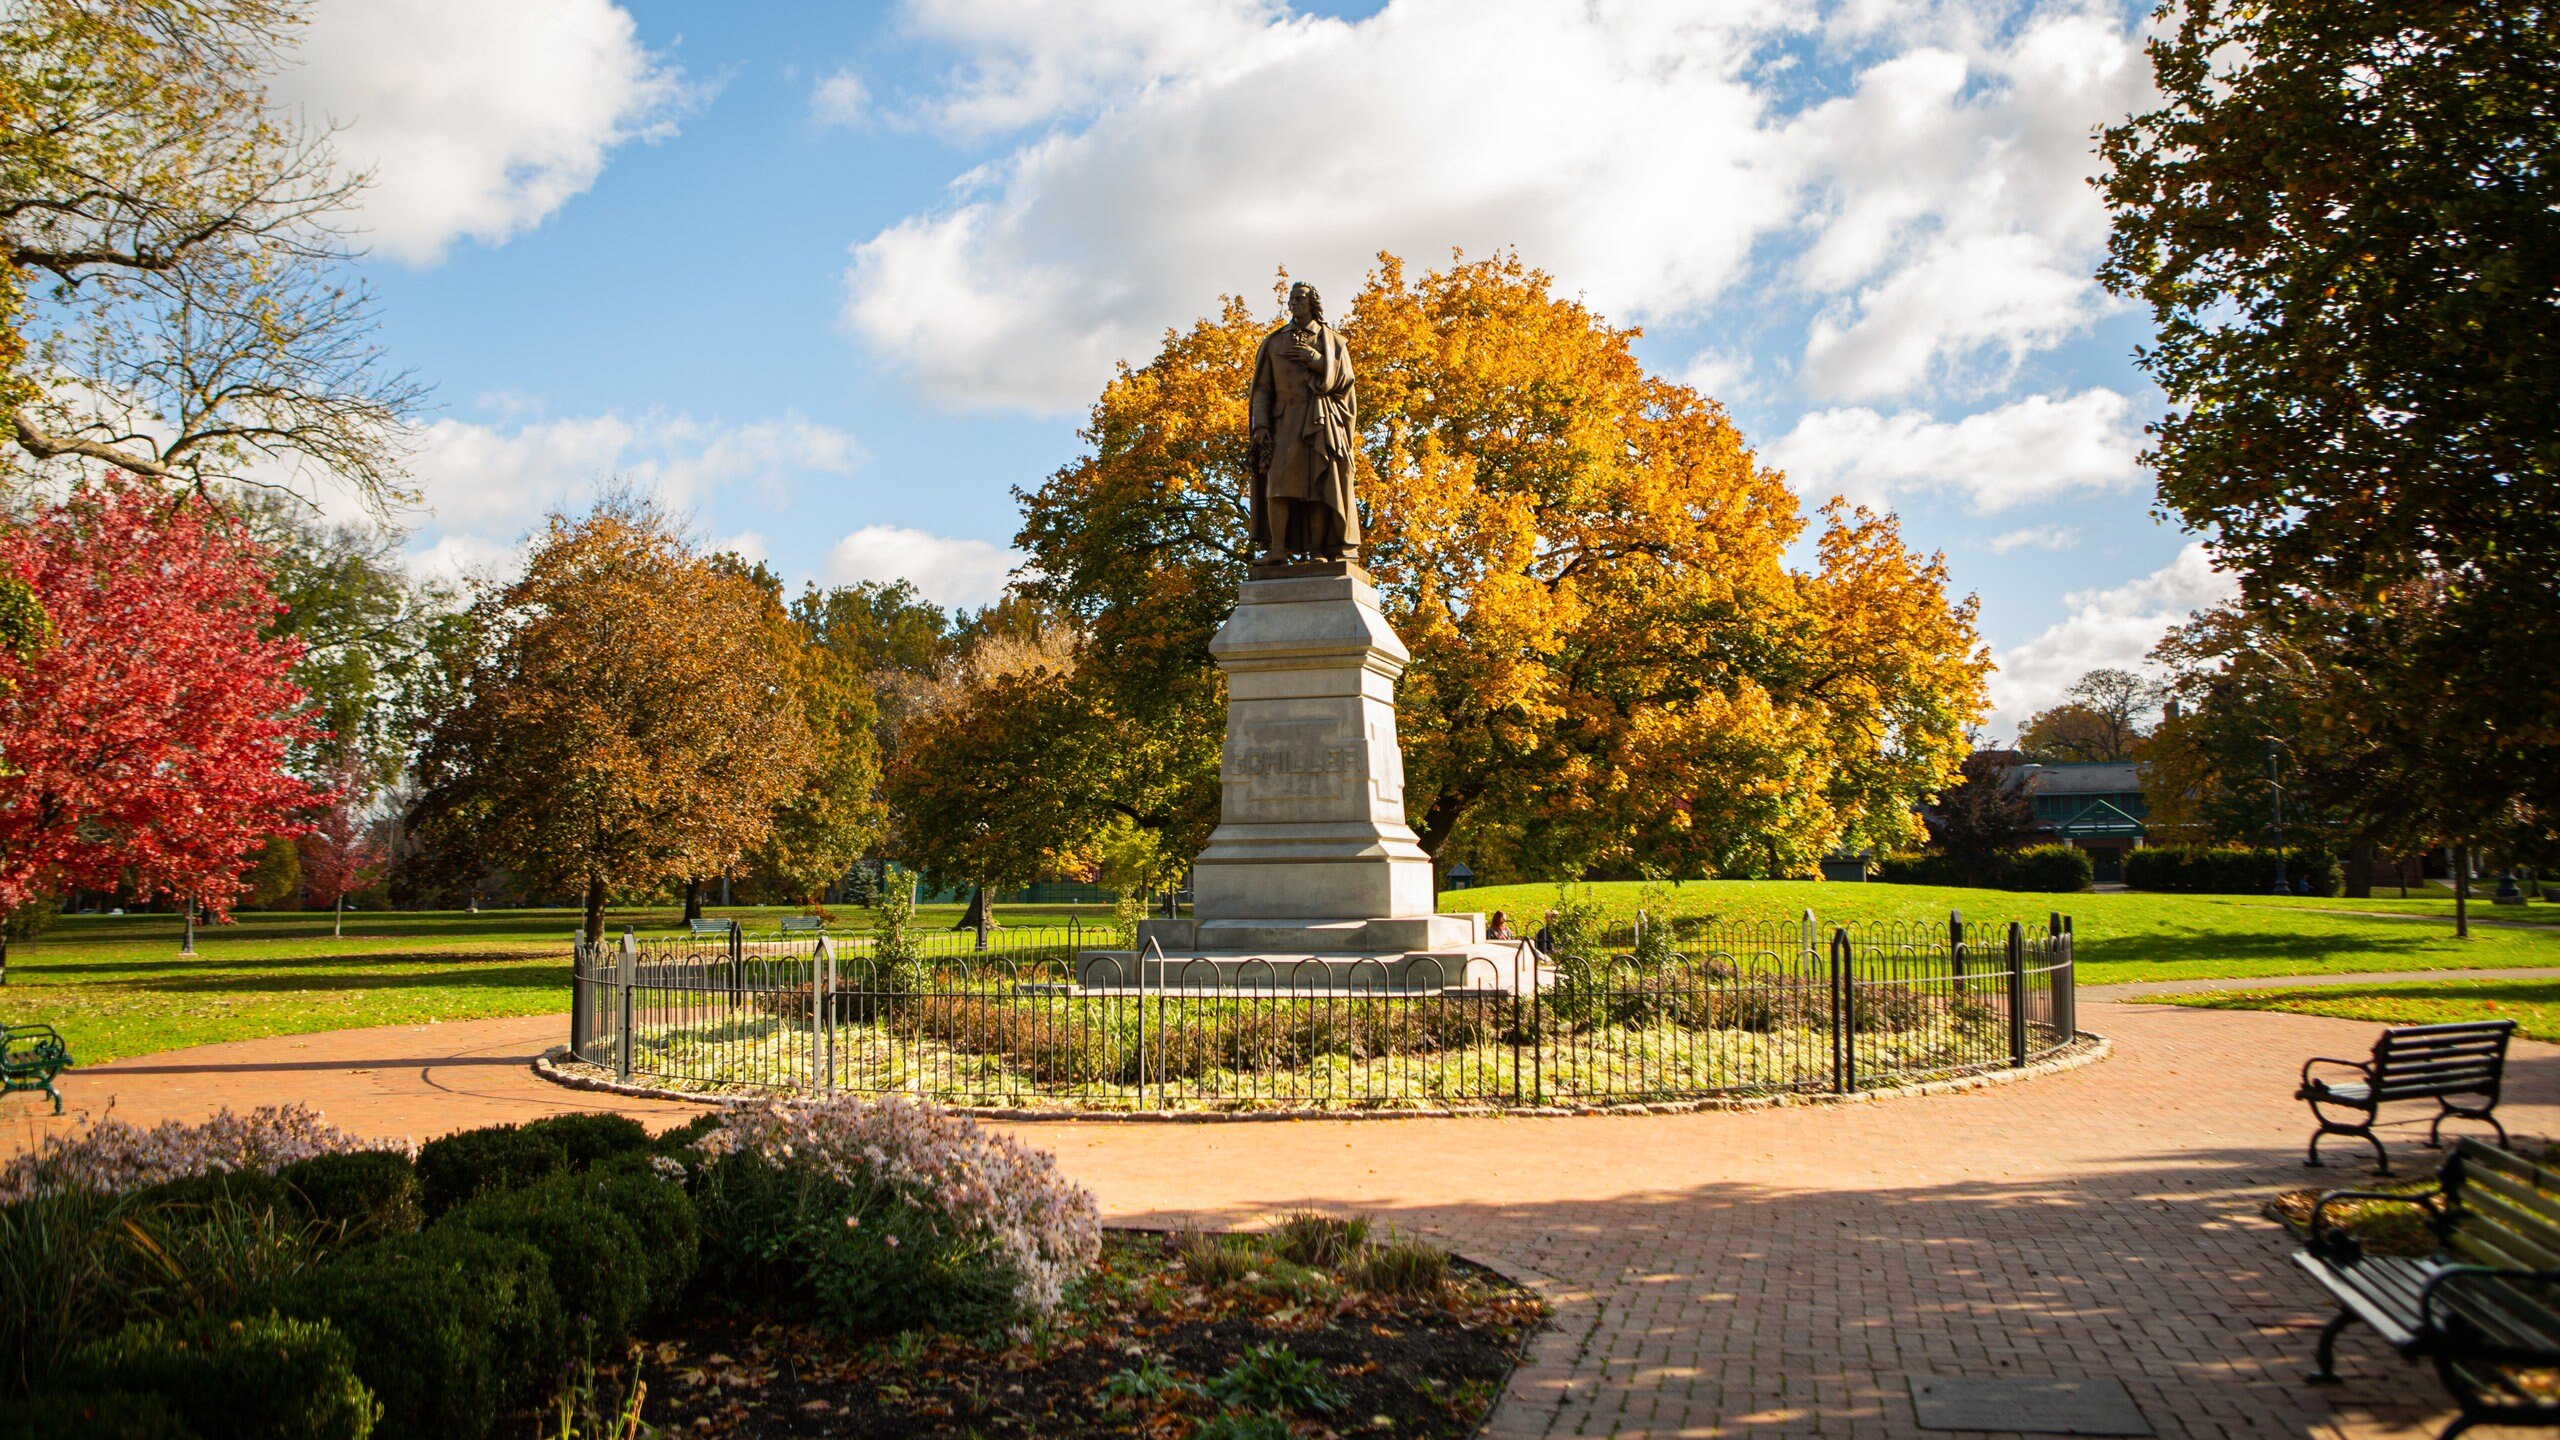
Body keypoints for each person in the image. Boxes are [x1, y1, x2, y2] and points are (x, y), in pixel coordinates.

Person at [1247, 280, 1361, 562]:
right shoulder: (1274, 342)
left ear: (1313, 304)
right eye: (1291, 298)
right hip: (1283, 423)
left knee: (1318, 485)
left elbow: (1345, 382)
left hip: (1319, 419)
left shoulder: (1331, 341)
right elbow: (1262, 387)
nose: (1293, 303)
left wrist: (1316, 360)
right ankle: (1278, 549)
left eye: (1299, 298)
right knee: (1278, 486)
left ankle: (1317, 551)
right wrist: (1260, 425)